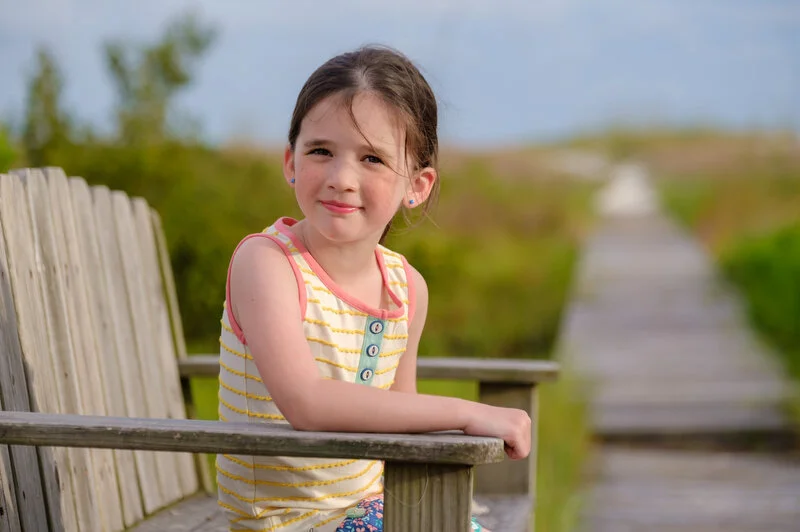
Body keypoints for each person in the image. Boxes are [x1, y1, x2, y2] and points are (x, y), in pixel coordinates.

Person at [216, 45, 531, 532]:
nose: (342, 179)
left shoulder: (407, 289)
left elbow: (399, 420)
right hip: (284, 522)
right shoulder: (267, 263)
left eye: (372, 159)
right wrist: (469, 413)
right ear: (290, 161)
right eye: (321, 150)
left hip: (371, 512)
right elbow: (307, 402)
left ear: (418, 185)